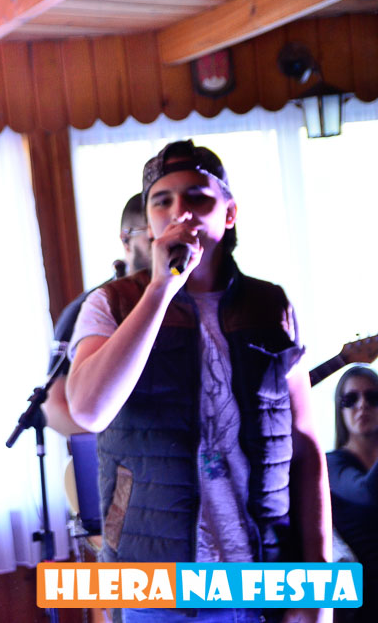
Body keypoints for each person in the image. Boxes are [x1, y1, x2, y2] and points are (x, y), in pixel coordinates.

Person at [65, 141, 330, 623]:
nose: (179, 212)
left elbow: (306, 445)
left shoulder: (271, 305)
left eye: (197, 197)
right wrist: (160, 289)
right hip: (157, 585)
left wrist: (319, 582)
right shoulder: (112, 304)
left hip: (266, 577)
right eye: (162, 201)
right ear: (149, 224)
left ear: (229, 214)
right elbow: (88, 409)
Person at [43, 193, 150, 437]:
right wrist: (126, 444)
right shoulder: (96, 306)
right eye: (152, 235)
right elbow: (53, 407)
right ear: (126, 239)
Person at [328, 365, 378, 622]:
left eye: (373, 397)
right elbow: (367, 493)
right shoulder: (331, 464)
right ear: (340, 409)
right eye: (351, 399)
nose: (362, 405)